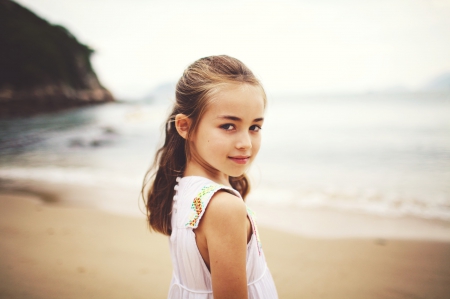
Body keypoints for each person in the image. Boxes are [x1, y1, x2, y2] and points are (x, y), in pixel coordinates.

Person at [142, 55, 278, 299]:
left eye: (254, 127)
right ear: (184, 127)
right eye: (228, 126)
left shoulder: (181, 187)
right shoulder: (224, 207)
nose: (245, 143)